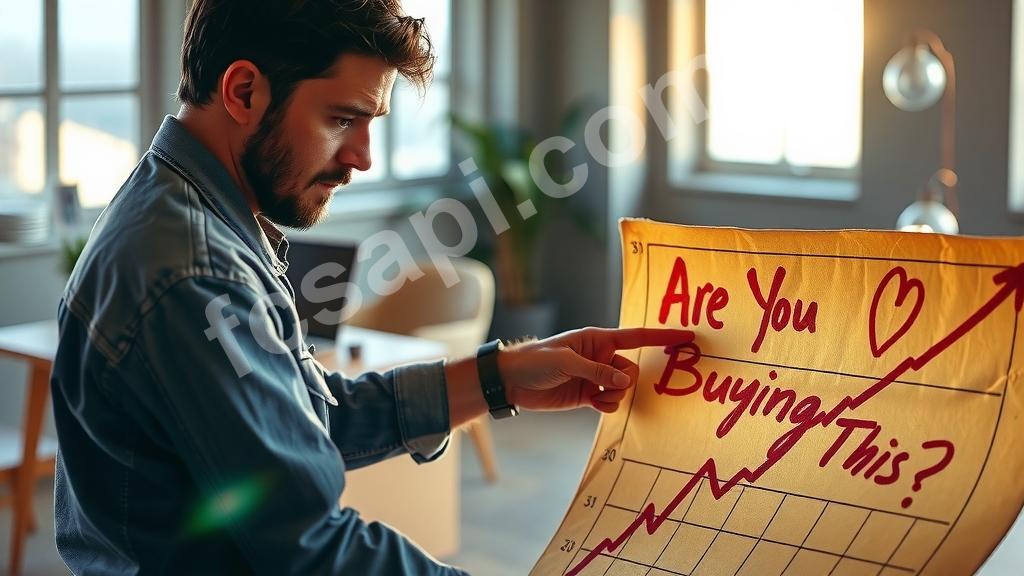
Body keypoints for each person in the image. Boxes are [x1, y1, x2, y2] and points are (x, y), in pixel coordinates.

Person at [50, 0, 690, 574]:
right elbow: (308, 548)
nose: (362, 156)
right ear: (243, 91)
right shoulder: (196, 273)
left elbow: (304, 420)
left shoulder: (181, 212)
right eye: (341, 119)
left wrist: (504, 376)